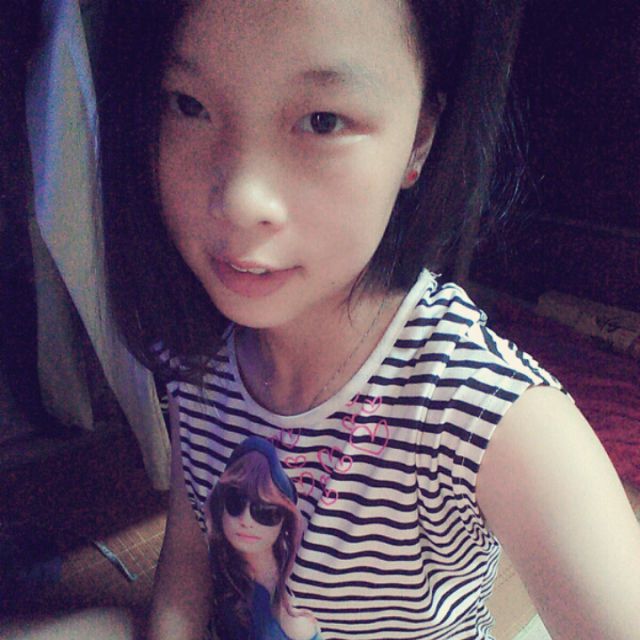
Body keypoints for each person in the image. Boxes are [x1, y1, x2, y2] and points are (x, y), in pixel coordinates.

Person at [98, 1, 640, 639]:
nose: (241, 200)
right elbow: (186, 572)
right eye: (189, 105)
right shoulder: (199, 351)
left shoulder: (487, 414)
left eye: (321, 121)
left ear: (420, 140)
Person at [204, 436, 322, 640]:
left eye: (265, 511)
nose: (246, 520)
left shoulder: (298, 592)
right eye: (235, 501)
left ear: (285, 521)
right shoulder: (216, 564)